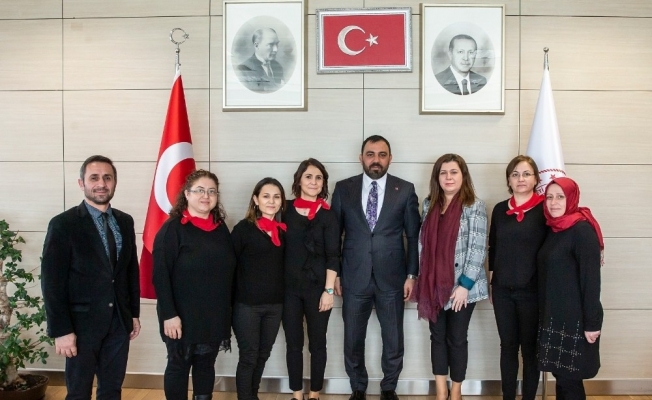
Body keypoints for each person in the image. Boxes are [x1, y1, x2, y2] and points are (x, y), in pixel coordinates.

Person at [41, 155, 140, 400]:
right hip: (80, 325)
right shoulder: (63, 224)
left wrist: (133, 314)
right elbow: (52, 282)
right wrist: (61, 330)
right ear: (81, 183)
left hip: (119, 322)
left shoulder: (125, 221)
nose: (101, 184)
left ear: (115, 182)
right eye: (94, 178)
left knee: (112, 390)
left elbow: (130, 271)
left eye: (107, 178)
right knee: (78, 393)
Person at [331, 135, 421, 400]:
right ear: (361, 158)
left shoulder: (405, 190)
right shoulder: (343, 188)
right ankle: (358, 387)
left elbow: (413, 236)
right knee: (352, 338)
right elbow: (333, 236)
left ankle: (389, 388)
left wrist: (411, 275)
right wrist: (335, 273)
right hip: (353, 276)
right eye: (370, 154)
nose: (376, 160)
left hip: (392, 277)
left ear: (390, 158)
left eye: (382, 154)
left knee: (393, 338)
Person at [152, 169, 236, 400]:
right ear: (187, 194)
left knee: (206, 364)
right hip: (181, 315)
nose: (205, 196)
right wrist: (169, 314)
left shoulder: (220, 228)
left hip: (213, 313)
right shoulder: (172, 229)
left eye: (211, 191)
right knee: (179, 365)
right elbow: (160, 276)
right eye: (199, 190)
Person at [410, 153, 488, 400]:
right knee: (437, 337)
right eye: (443, 173)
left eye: (454, 172)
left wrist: (464, 285)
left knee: (457, 338)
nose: (448, 177)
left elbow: (478, 249)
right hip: (433, 284)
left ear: (463, 175)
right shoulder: (428, 204)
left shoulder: (474, 206)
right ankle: (441, 391)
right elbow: (423, 246)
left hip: (462, 287)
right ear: (437, 178)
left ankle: (456, 391)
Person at [538, 177, 603, 400]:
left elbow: (591, 281)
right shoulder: (555, 229)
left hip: (576, 320)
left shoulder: (582, 230)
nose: (553, 202)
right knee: (562, 377)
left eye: (560, 196)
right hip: (556, 317)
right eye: (549, 197)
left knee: (570, 380)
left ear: (572, 198)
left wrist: (592, 324)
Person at [488, 155, 547, 400]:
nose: (520, 179)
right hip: (502, 290)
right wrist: (492, 282)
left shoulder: (545, 209)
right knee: (508, 347)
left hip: (532, 291)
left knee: (530, 349)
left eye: (526, 174)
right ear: (509, 180)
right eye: (515, 174)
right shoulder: (500, 209)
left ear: (535, 179)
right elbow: (493, 247)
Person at [283, 159, 340, 400]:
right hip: (288, 290)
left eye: (319, 178)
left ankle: (315, 394)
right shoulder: (284, 210)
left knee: (317, 344)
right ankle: (297, 394)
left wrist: (329, 291)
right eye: (308, 177)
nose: (313, 182)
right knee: (293, 344)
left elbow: (333, 256)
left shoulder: (329, 215)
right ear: (299, 180)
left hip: (318, 290)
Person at [231, 177, 287, 400]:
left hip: (275, 306)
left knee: (263, 355)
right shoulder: (243, 229)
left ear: (282, 201)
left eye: (276, 197)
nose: (271, 201)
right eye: (266, 196)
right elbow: (229, 266)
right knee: (249, 357)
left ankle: (252, 395)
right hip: (247, 306)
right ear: (255, 199)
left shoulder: (283, 231)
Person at [237, 27, 285, 93]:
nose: (275, 49)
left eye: (277, 44)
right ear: (256, 46)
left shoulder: (278, 67)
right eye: (270, 45)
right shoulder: (243, 69)